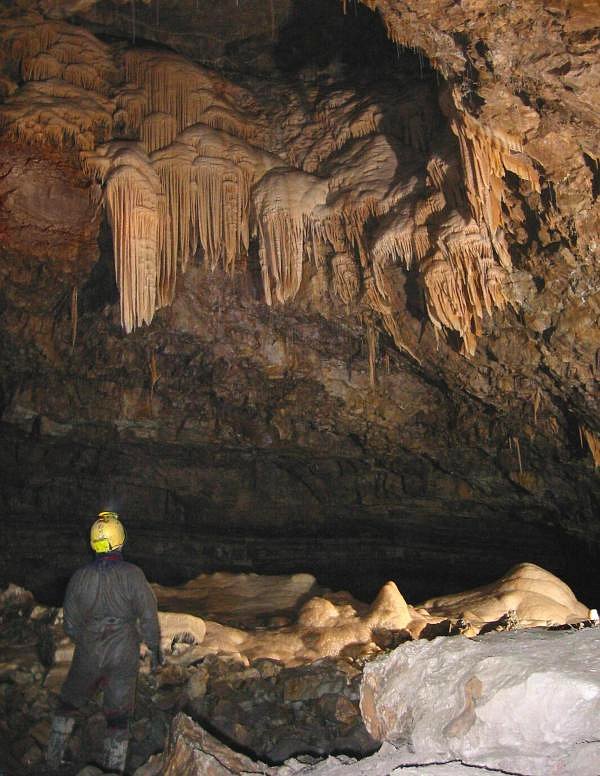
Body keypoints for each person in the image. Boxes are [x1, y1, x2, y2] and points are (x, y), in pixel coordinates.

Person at [46, 511, 162, 773]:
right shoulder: (132, 575)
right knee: (118, 714)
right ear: (120, 539)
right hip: (123, 652)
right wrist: (154, 646)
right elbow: (147, 613)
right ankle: (114, 767)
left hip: (89, 649)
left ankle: (52, 759)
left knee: (69, 700)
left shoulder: (79, 577)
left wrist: (87, 640)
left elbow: (71, 623)